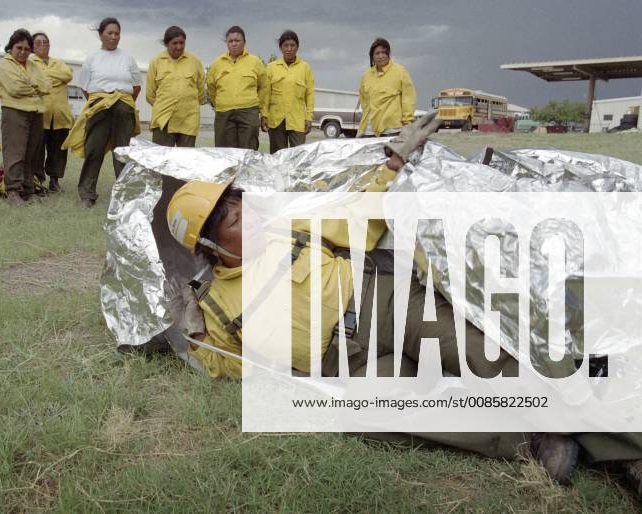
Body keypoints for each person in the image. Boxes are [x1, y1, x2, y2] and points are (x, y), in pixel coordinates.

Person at [165, 112, 642, 489]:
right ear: (209, 247)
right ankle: (532, 440)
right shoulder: (215, 308)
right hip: (345, 362)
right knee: (383, 414)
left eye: (238, 201)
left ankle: (622, 445)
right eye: (228, 217)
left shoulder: (287, 227)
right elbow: (231, 367)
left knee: (487, 358)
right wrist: (198, 337)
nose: (243, 214)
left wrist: (394, 162)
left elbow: (363, 214)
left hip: (387, 303)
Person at [63, 17, 142, 209]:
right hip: (99, 108)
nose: (114, 37)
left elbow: (136, 86)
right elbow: (85, 88)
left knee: (122, 153)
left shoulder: (128, 58)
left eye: (117, 33)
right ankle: (87, 194)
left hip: (123, 108)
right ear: (101, 35)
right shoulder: (92, 59)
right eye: (110, 33)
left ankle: (124, 195)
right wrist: (101, 100)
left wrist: (121, 102)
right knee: (94, 150)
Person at [0, 28, 51, 206]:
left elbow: (47, 86)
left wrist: (30, 84)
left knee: (32, 153)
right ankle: (13, 191)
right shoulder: (4, 64)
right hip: (14, 112)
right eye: (19, 47)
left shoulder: (33, 64)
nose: (23, 52)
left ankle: (28, 189)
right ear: (11, 47)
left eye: (27, 49)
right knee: (15, 153)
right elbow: (15, 89)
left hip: (35, 113)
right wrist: (35, 87)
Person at [207, 26, 268, 150]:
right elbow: (211, 88)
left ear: (244, 43)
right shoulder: (217, 64)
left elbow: (264, 88)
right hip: (224, 113)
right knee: (224, 152)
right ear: (227, 43)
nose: (234, 44)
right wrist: (219, 105)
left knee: (248, 150)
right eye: (230, 41)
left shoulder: (255, 62)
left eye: (237, 41)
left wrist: (263, 112)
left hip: (249, 112)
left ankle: (247, 170)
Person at [146, 26, 205, 148]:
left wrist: (186, 105)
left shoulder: (195, 62)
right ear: (166, 44)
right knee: (161, 162)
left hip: (188, 121)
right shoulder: (156, 62)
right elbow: (150, 95)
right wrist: (164, 105)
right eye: (174, 43)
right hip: (163, 120)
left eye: (182, 43)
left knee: (186, 162)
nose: (179, 47)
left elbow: (200, 92)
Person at [31, 32, 73, 193]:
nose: (42, 45)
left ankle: (54, 181)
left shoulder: (58, 62)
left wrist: (45, 76)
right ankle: (38, 181)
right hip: (40, 115)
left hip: (61, 116)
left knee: (59, 151)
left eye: (45, 42)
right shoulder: (29, 62)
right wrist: (56, 78)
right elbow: (33, 80)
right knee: (38, 151)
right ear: (32, 46)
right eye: (38, 42)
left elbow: (68, 75)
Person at [262, 30, 314, 154]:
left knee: (298, 156)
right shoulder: (271, 68)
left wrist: (309, 117)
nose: (289, 49)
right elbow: (265, 94)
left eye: (292, 45)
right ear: (281, 47)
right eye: (286, 45)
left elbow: (310, 94)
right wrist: (264, 115)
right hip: (276, 120)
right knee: (277, 156)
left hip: (297, 120)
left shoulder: (305, 68)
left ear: (297, 47)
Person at [357, 38, 416, 137]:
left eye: (384, 52)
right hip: (369, 130)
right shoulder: (366, 75)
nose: (380, 56)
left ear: (388, 54)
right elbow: (364, 100)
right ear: (372, 57)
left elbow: (408, 97)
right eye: (377, 53)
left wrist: (407, 121)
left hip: (392, 129)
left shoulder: (400, 72)